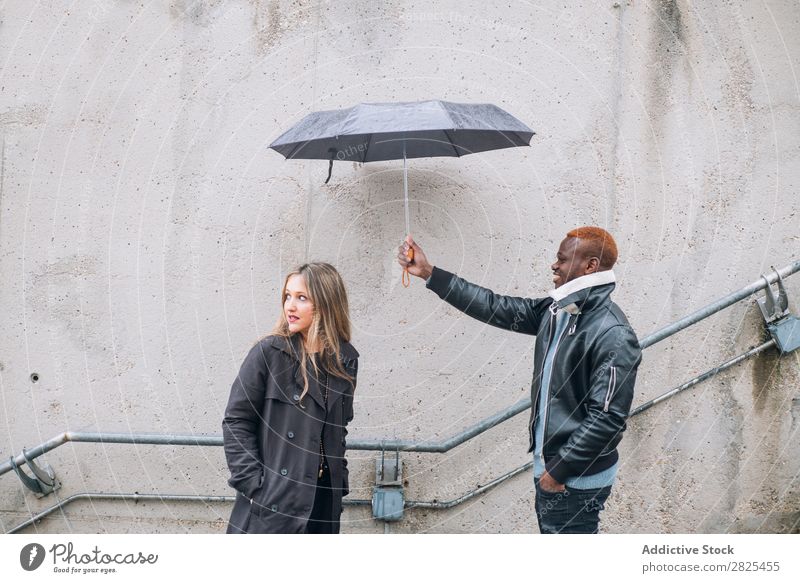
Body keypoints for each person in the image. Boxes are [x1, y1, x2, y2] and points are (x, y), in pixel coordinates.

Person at [398, 227, 641, 534]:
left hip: (574, 478)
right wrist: (430, 273)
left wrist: (558, 471)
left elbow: (608, 419)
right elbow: (496, 307)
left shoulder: (612, 332)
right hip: (555, 468)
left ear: (590, 266)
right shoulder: (559, 310)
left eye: (562, 259)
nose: (554, 265)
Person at [222, 262, 358, 534]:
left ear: (325, 304)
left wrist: (338, 482)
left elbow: (339, 428)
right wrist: (254, 484)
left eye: (301, 298)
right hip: (274, 498)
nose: (290, 306)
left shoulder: (346, 360)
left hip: (321, 500)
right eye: (287, 296)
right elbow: (236, 420)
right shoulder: (269, 353)